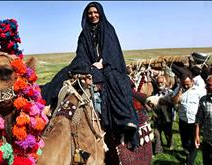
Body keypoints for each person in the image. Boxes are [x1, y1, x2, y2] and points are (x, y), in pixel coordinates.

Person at [41, 2, 139, 148]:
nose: (93, 15)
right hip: (90, 65)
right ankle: (47, 105)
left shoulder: (108, 29)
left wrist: (103, 61)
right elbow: (81, 53)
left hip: (109, 65)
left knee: (114, 79)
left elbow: (113, 51)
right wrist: (87, 65)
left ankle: (123, 120)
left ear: (100, 13)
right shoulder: (84, 33)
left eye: (95, 12)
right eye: (90, 13)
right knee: (64, 72)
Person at [172, 70, 206, 165]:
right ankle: (188, 151)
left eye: (187, 84)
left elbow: (204, 104)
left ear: (192, 81)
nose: (186, 86)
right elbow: (174, 102)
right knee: (185, 141)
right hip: (183, 120)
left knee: (194, 140)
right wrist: (179, 91)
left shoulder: (200, 91)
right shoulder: (179, 89)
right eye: (184, 84)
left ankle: (189, 161)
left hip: (195, 121)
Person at [151, 75, 174, 154]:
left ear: (165, 82)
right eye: (158, 82)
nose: (159, 84)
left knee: (167, 132)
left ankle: (170, 144)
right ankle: (158, 150)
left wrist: (165, 102)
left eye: (161, 82)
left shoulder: (170, 92)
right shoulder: (154, 92)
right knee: (157, 133)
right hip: (157, 116)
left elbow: (173, 104)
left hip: (167, 116)